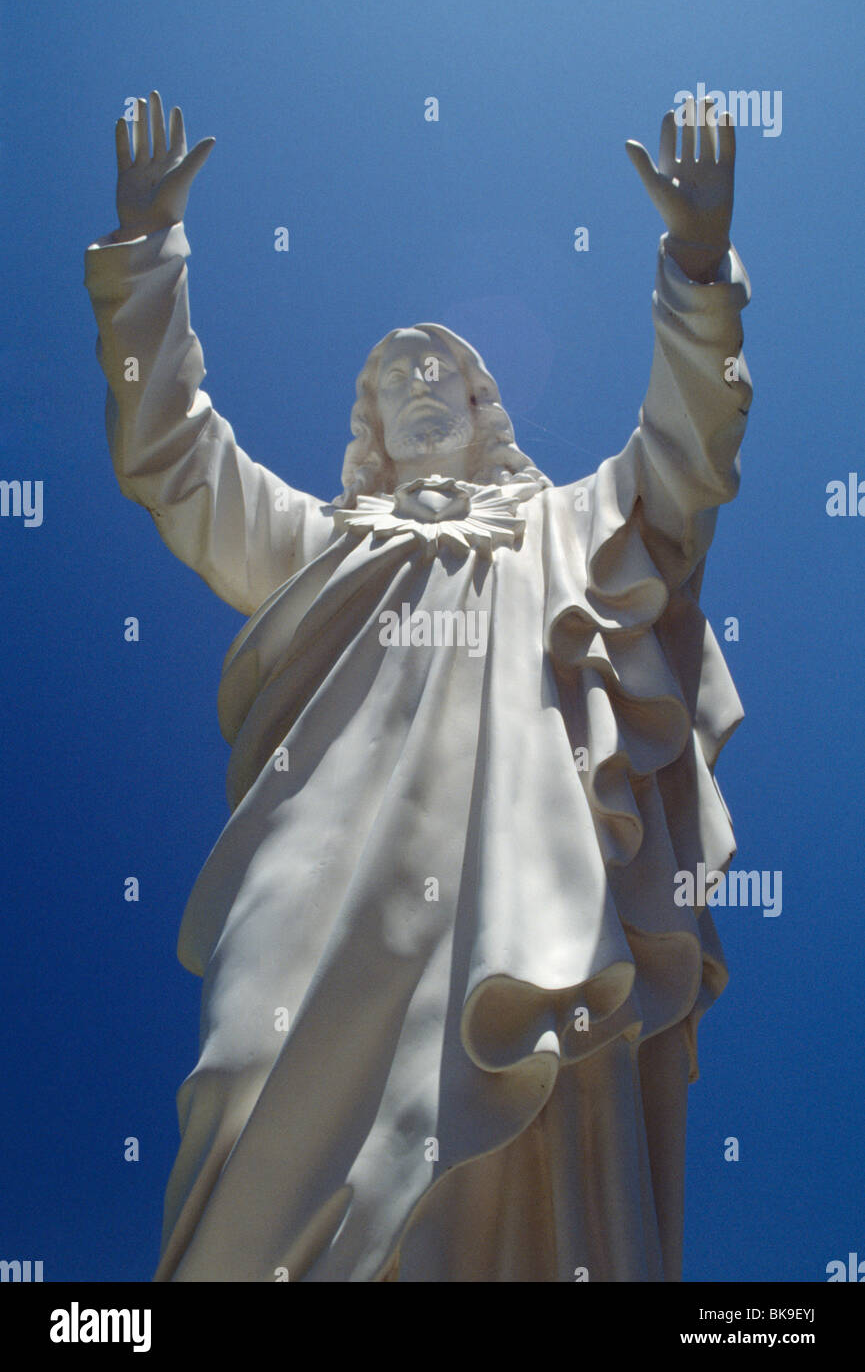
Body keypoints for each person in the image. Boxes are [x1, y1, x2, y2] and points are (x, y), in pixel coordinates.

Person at [85, 91, 751, 1281]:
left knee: (515, 1106)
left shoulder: (563, 528)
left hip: (516, 861)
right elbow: (175, 459)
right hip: (319, 858)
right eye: (394, 379)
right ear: (375, 431)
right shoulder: (323, 543)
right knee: (245, 1068)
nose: (419, 383)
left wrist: (696, 270)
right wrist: (148, 255)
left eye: (442, 369)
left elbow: (682, 467)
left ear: (485, 409)